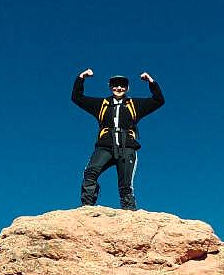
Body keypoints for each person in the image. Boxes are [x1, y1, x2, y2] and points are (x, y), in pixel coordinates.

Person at [71, 68, 165, 210]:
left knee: (125, 184)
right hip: (105, 146)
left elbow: (159, 100)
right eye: (115, 85)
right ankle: (87, 207)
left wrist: (151, 82)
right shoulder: (101, 104)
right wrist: (81, 78)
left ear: (127, 88)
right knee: (90, 172)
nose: (119, 88)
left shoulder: (135, 105)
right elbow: (77, 97)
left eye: (122, 85)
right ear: (110, 87)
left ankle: (129, 213)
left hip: (127, 147)